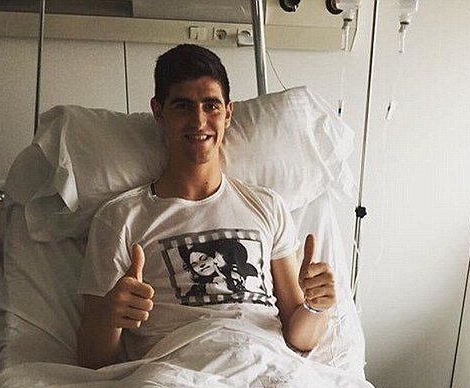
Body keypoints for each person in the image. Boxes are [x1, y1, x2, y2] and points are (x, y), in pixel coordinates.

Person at [76, 44, 336, 369]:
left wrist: (316, 306)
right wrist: (110, 317)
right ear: (159, 112)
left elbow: (300, 339)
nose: (199, 121)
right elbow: (91, 361)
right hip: (175, 376)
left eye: (210, 105)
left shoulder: (267, 207)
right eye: (183, 106)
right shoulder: (120, 219)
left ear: (227, 113)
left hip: (267, 369)